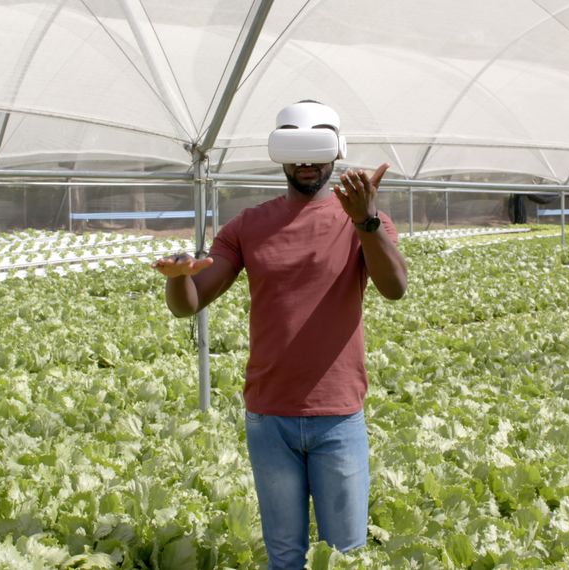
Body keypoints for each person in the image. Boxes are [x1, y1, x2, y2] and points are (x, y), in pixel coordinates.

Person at [151, 100, 407, 568]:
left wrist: (366, 221)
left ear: (336, 152)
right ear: (281, 155)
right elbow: (190, 305)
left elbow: (395, 288)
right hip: (269, 417)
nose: (306, 164)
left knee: (345, 554)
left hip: (339, 415)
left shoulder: (364, 219)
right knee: (284, 555)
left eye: (316, 151)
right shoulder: (249, 225)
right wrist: (177, 278)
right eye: (296, 152)